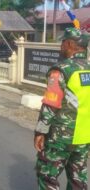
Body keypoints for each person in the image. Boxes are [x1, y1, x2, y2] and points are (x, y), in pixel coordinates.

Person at [34, 27, 90, 190]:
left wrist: (40, 132)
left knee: (47, 175)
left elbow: (50, 105)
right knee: (78, 177)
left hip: (61, 137)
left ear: (71, 44)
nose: (61, 47)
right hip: (85, 135)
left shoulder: (61, 70)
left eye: (63, 43)